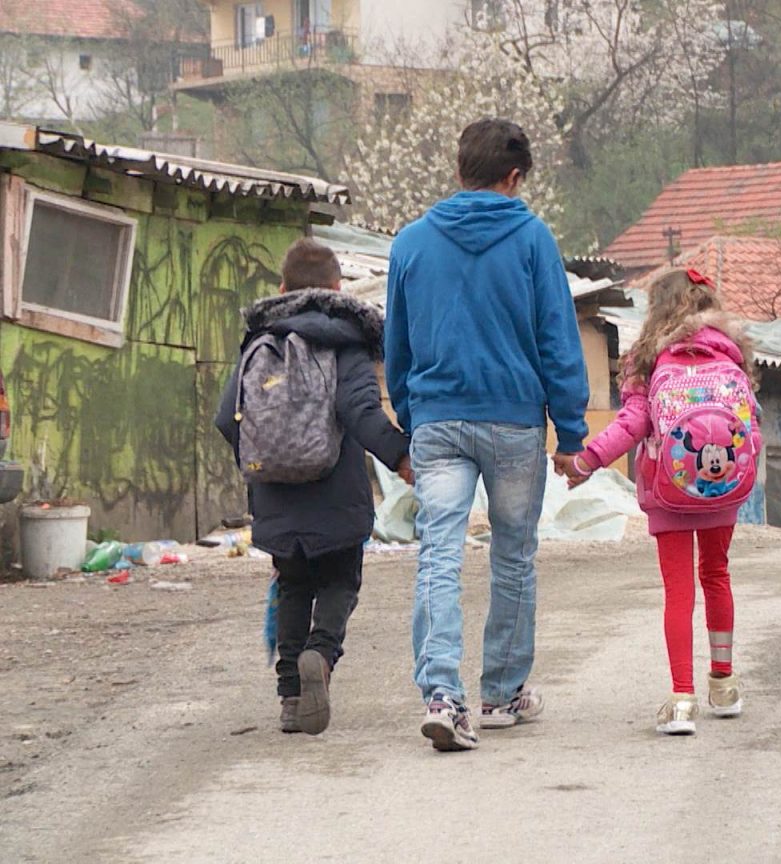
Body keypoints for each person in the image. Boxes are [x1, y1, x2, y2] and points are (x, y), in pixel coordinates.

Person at [385, 118, 589, 752]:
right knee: (513, 556)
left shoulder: (411, 243)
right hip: (514, 422)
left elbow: (397, 347)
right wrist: (572, 431)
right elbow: (558, 340)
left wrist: (412, 420)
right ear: (515, 177)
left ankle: (443, 697)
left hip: (438, 420)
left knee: (439, 555)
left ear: (458, 170)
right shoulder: (532, 240)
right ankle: (501, 693)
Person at [215, 238, 412, 736]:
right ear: (338, 289)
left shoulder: (259, 340)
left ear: (282, 288)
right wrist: (402, 457)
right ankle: (320, 655)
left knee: (293, 585)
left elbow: (225, 417)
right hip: (336, 491)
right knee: (340, 581)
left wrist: (262, 461)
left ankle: (289, 699)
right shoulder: (346, 339)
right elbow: (359, 411)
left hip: (275, 495)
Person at [565, 268, 760, 735]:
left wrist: (587, 461)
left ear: (658, 308)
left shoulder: (647, 359)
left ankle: (682, 699)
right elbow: (750, 426)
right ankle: (724, 683)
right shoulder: (731, 354)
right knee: (716, 575)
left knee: (678, 590)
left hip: (668, 490)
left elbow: (633, 424)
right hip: (721, 489)